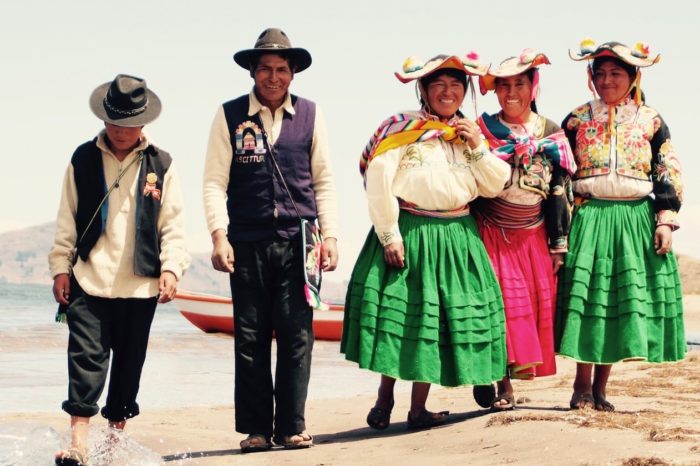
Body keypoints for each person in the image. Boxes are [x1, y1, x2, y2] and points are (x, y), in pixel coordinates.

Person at [340, 53, 510, 430]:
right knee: (407, 319)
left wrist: (478, 146)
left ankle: (418, 408)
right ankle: (385, 399)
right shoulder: (402, 129)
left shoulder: (468, 135)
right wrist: (389, 234)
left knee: (433, 325)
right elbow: (378, 179)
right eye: (439, 85)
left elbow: (495, 183)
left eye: (455, 86)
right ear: (424, 89)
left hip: (457, 237)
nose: (448, 93)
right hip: (413, 231)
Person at [203, 28, 339, 452]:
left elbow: (325, 182)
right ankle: (257, 429)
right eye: (266, 69)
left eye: (282, 69)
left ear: (293, 73)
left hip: (302, 242)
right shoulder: (229, 116)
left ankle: (292, 426)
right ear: (252, 71)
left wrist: (330, 235)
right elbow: (212, 182)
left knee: (298, 335)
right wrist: (218, 235)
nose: (274, 77)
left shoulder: (312, 116)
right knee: (250, 336)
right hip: (246, 241)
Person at [49, 74, 190, 465]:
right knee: (84, 360)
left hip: (140, 286)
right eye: (114, 122)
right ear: (104, 117)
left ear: (143, 122)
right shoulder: (82, 158)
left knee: (129, 367)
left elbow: (173, 225)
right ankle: (78, 444)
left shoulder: (162, 163)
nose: (120, 131)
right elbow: (67, 217)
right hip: (89, 278)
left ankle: (112, 448)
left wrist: (172, 268)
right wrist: (61, 267)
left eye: (128, 124)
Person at [556, 40, 685, 412]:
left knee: (615, 300)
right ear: (591, 78)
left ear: (633, 77)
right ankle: (580, 386)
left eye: (616, 73)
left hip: (633, 219)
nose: (607, 80)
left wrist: (665, 220)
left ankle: (600, 388)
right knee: (591, 299)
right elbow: (561, 176)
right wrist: (561, 228)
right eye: (601, 73)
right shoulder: (577, 120)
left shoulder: (651, 121)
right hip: (590, 215)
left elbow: (667, 170)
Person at [470, 50, 576, 410]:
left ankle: (504, 377)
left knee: (522, 311)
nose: (511, 92)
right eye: (504, 86)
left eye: (519, 83)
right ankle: (501, 385)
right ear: (495, 91)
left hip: (533, 233)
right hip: (491, 230)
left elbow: (561, 189)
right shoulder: (481, 129)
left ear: (534, 86)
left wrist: (558, 242)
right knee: (496, 308)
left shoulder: (551, 133)